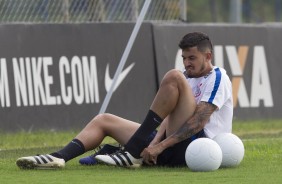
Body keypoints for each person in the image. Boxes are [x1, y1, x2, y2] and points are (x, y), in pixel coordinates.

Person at [16, 32, 233, 169]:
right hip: (170, 142)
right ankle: (58, 157)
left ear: (208, 56)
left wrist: (158, 147)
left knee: (172, 76)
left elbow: (198, 122)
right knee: (104, 119)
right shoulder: (186, 77)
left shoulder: (217, 77)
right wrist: (154, 143)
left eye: (192, 58)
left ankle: (129, 152)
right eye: (184, 58)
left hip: (196, 147)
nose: (186, 63)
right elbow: (168, 118)